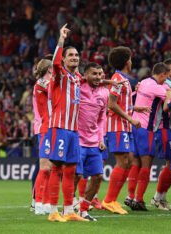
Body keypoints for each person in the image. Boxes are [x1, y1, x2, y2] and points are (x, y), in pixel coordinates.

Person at [42, 24, 88, 222]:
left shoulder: (77, 78)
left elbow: (92, 80)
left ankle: (69, 210)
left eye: (77, 55)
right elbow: (54, 62)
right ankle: (53, 210)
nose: (75, 58)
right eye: (70, 56)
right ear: (64, 59)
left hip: (73, 130)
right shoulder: (59, 75)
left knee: (70, 170)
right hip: (59, 127)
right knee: (56, 167)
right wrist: (61, 39)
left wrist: (108, 83)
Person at [102, 46, 146, 215]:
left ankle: (112, 199)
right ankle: (108, 200)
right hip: (117, 126)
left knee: (128, 161)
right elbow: (111, 104)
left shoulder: (124, 79)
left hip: (124, 126)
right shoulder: (117, 78)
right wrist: (130, 118)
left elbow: (122, 104)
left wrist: (137, 108)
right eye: (130, 57)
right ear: (127, 61)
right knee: (123, 162)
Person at [127, 63, 171, 211]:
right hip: (147, 128)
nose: (166, 80)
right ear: (163, 74)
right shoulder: (158, 87)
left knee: (136, 163)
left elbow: (132, 98)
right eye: (166, 77)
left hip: (135, 125)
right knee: (146, 164)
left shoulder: (144, 82)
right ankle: (139, 199)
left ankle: (130, 196)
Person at [75, 63, 109, 221]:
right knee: (76, 176)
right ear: (86, 75)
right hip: (77, 140)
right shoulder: (79, 88)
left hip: (94, 141)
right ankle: (69, 206)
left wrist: (101, 137)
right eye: (94, 74)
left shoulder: (104, 93)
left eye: (100, 73)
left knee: (97, 176)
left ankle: (83, 210)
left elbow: (102, 118)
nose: (98, 77)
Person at [152, 58, 171, 211]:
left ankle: (161, 197)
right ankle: (157, 198)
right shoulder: (164, 85)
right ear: (166, 72)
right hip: (165, 127)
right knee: (170, 165)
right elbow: (165, 107)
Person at [32, 58, 52, 215]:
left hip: (54, 128)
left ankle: (45, 202)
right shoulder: (42, 83)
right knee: (44, 167)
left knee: (50, 168)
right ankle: (38, 202)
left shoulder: (46, 82)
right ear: (50, 69)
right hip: (44, 128)